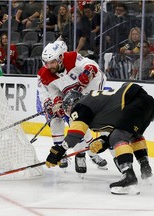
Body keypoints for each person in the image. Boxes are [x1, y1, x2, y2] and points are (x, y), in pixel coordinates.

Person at [46, 83, 153, 195]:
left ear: (71, 104)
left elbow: (76, 134)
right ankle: (145, 168)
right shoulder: (95, 102)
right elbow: (118, 128)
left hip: (133, 101)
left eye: (67, 109)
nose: (69, 113)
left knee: (119, 136)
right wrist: (104, 142)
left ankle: (128, 176)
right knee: (132, 135)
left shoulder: (80, 105)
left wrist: (60, 149)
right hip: (144, 102)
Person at [37, 40, 107, 173]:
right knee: (73, 119)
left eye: (52, 62)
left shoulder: (72, 58)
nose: (49, 66)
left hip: (91, 86)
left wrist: (86, 75)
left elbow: (91, 66)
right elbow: (52, 92)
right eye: (47, 63)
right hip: (68, 94)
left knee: (91, 118)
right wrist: (55, 104)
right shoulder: (44, 73)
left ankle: (92, 152)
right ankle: (77, 153)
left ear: (61, 58)